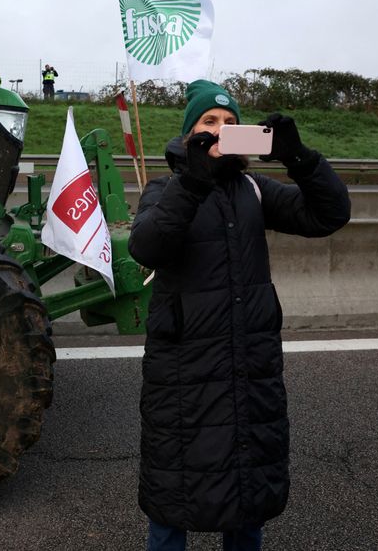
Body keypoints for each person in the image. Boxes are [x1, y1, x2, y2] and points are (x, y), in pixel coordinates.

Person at [128, 79, 351, 551]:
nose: (220, 130)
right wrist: (192, 183)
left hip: (251, 364)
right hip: (183, 374)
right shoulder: (166, 188)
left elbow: (328, 215)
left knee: (248, 496)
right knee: (174, 499)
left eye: (230, 123)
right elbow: (147, 246)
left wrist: (300, 158)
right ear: (190, 133)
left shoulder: (253, 187)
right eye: (209, 122)